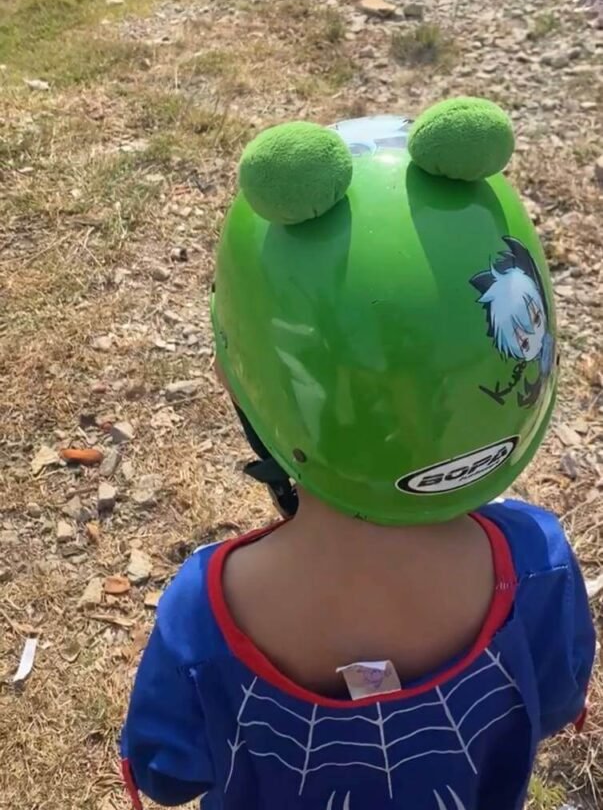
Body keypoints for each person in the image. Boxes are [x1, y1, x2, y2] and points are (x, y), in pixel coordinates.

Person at [121, 98, 596, 810]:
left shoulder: (207, 609)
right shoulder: (534, 559)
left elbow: (166, 776)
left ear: (244, 382)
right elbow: (555, 703)